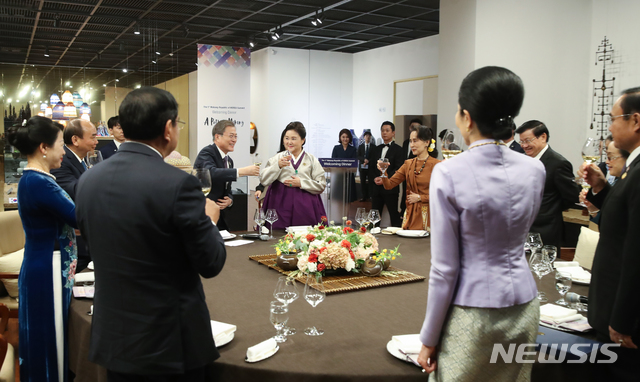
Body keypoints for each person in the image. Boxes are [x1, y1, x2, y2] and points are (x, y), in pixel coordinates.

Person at [75, 87, 226, 381]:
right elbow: (211, 263)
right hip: (168, 343)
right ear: (168, 128)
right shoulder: (178, 184)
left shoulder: (89, 180)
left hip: (114, 338)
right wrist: (209, 219)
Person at [418, 66, 545, 380]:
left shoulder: (449, 172)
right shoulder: (534, 170)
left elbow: (445, 269)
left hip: (474, 312)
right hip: (525, 306)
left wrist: (428, 338)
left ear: (467, 117)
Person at [7, 116, 78, 382]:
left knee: (47, 335)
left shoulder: (35, 179)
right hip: (47, 268)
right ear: (43, 147)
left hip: (43, 264)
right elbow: (77, 217)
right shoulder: (40, 183)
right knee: (51, 336)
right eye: (61, 144)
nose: (63, 151)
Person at [580, 87, 640, 381]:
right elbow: (623, 220)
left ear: (635, 121)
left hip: (625, 322)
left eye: (613, 118)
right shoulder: (632, 169)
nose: (609, 127)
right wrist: (603, 189)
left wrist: (622, 320)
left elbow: (635, 253)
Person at [515, 120, 581, 250]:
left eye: (528, 140)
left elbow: (572, 196)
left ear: (543, 137)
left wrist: (550, 208)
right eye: (521, 141)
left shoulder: (558, 163)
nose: (524, 145)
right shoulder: (521, 160)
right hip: (521, 230)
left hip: (546, 230)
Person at [193, 120, 260, 230]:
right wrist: (241, 171)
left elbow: (227, 190)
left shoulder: (229, 161)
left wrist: (229, 200)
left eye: (236, 136)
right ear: (217, 137)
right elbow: (211, 173)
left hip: (220, 217)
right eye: (231, 136)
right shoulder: (206, 153)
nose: (234, 140)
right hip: (204, 215)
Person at [260, 122, 326, 229]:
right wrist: (277, 166)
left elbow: (321, 184)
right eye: (286, 138)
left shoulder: (311, 159)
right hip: (280, 202)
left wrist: (302, 183)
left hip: (306, 205)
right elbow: (263, 179)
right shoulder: (277, 158)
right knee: (278, 236)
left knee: (305, 237)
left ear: (303, 140)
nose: (289, 142)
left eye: (294, 138)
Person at [379, 125, 440, 230]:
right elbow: (389, 185)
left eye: (415, 141)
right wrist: (383, 171)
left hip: (430, 215)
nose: (412, 145)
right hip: (411, 215)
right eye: (410, 141)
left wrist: (420, 198)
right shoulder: (408, 164)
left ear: (427, 142)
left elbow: (443, 195)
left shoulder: (436, 165)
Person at [579, 139, 629, 223]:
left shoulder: (631, 183)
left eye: (610, 157)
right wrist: (593, 209)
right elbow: (611, 222)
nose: (606, 162)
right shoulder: (620, 181)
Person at [51, 118, 98, 200]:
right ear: (75, 140)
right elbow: (74, 191)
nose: (96, 142)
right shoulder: (60, 161)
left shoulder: (86, 159)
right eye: (93, 138)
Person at [371, 121, 403, 227]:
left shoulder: (398, 150)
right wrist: (376, 178)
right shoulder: (376, 149)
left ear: (393, 133)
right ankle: (372, 237)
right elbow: (371, 167)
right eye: (382, 130)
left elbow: (398, 168)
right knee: (375, 216)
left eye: (387, 130)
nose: (384, 133)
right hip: (377, 188)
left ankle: (397, 238)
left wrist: (384, 178)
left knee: (394, 215)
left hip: (391, 188)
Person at [331, 128, 357, 203]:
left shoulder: (353, 149)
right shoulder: (336, 148)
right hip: (339, 176)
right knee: (338, 199)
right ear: (340, 138)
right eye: (343, 137)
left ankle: (346, 214)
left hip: (349, 176)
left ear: (350, 138)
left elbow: (354, 162)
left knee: (348, 199)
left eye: (347, 137)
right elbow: (333, 161)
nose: (345, 139)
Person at [357, 131, 375, 201]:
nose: (367, 137)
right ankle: (363, 196)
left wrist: (368, 161)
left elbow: (374, 156)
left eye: (369, 136)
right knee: (362, 182)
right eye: (366, 136)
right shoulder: (360, 146)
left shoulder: (373, 147)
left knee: (371, 182)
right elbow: (358, 156)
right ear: (364, 137)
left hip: (370, 167)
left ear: (370, 137)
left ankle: (371, 196)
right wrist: (364, 160)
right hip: (362, 166)